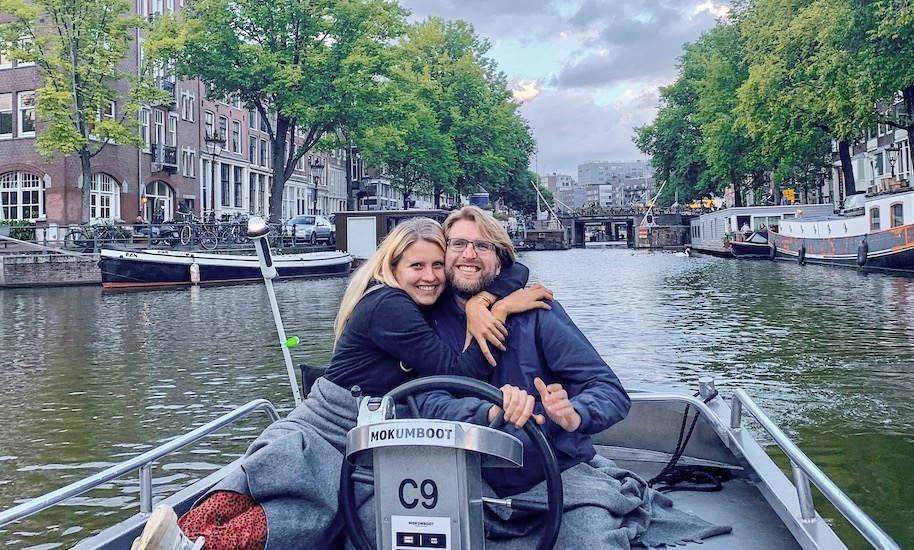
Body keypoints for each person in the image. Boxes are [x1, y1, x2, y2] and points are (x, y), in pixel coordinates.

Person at [131, 216, 551, 550]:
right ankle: (193, 544)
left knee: (283, 492)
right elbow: (455, 373)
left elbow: (508, 269)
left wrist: (483, 300)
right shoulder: (389, 304)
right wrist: (498, 315)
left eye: (437, 265)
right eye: (417, 266)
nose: (431, 276)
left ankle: (184, 539)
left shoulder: (416, 296)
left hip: (363, 423)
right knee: (311, 504)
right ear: (393, 266)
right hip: (334, 423)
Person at [405, 206, 730, 548]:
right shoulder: (424, 321)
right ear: (445, 254)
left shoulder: (537, 315)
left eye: (482, 246)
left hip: (551, 473)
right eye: (458, 244)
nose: (469, 254)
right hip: (464, 478)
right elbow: (426, 400)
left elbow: (608, 391)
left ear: (499, 262)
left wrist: (574, 414)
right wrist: (491, 411)